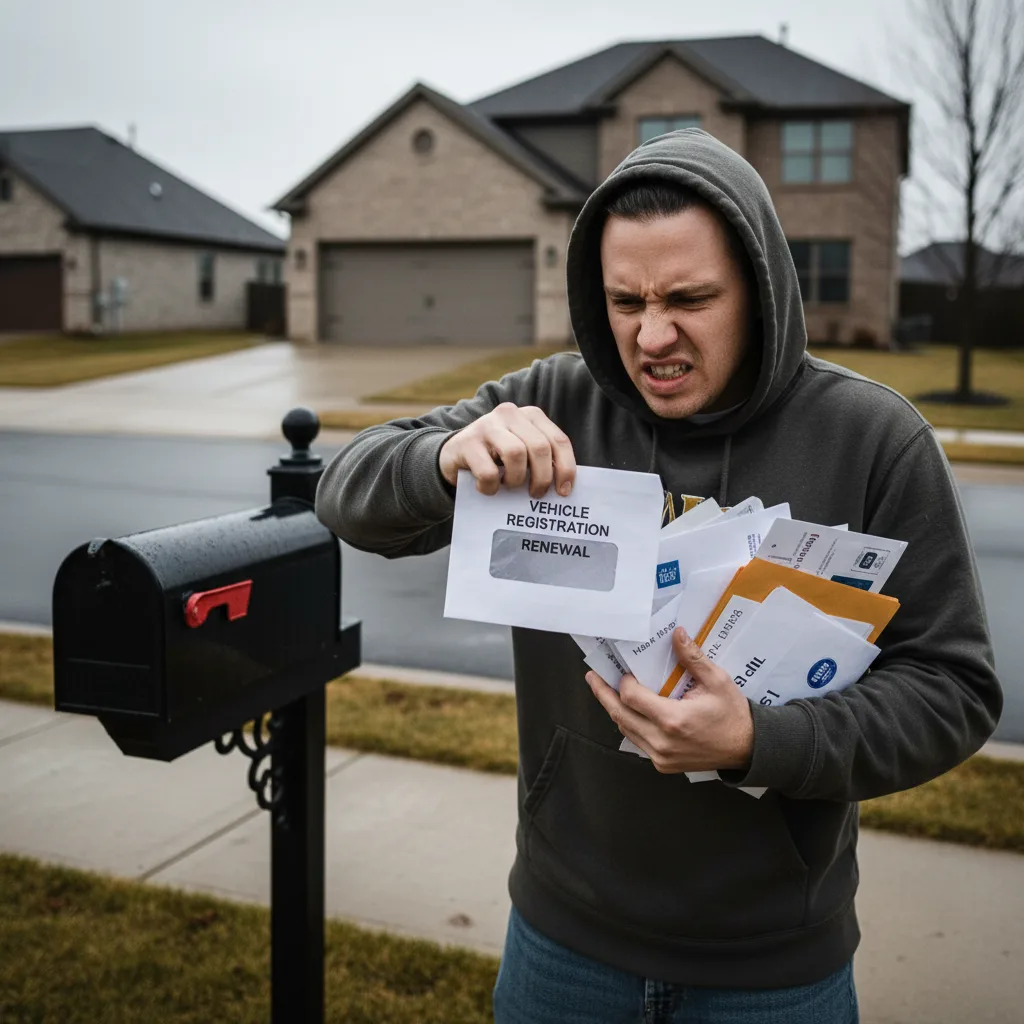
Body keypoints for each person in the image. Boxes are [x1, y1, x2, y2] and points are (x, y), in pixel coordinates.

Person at [315, 130, 1001, 1024]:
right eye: (624, 301)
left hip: (774, 965)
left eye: (690, 298)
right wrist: (444, 457)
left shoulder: (873, 441)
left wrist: (759, 740)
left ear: (759, 289)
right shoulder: (554, 403)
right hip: (564, 940)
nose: (652, 334)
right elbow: (346, 490)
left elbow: (954, 689)